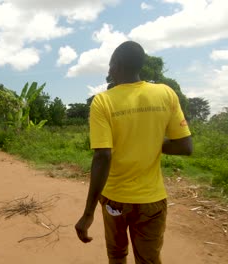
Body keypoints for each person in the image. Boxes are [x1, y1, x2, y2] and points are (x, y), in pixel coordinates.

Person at [75, 41, 193, 264]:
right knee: (149, 259)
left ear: (116, 66)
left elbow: (103, 156)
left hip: (114, 201)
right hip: (152, 201)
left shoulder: (103, 101)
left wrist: (88, 213)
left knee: (117, 256)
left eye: (110, 65)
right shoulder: (166, 94)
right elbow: (185, 146)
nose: (109, 70)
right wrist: (150, 140)